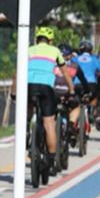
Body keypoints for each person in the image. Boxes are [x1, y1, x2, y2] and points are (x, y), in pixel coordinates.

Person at [24, 27, 75, 175]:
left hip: (30, 87)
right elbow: (65, 72)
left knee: (27, 110)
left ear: (37, 39)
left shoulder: (29, 50)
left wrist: (14, 92)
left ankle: (27, 131)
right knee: (49, 123)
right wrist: (71, 91)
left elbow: (17, 72)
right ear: (50, 41)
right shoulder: (55, 51)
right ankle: (51, 159)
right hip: (46, 88)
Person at [72, 39, 100, 117]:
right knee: (95, 95)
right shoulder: (95, 59)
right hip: (91, 84)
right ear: (91, 50)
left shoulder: (74, 59)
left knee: (76, 100)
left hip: (76, 84)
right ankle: (91, 111)